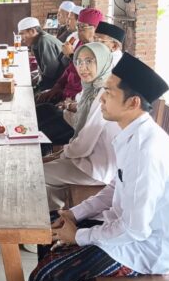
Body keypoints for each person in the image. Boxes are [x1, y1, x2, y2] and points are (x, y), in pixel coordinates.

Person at [0, 53, 169, 281]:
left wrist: (81, 236)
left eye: (109, 92)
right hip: (131, 229)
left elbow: (136, 231)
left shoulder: (147, 152)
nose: (101, 100)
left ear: (133, 103)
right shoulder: (132, 133)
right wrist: (74, 213)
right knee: (49, 227)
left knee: (46, 276)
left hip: (147, 249)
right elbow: (114, 189)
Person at [42, 43, 119, 209]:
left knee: (38, 174)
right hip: (88, 158)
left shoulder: (105, 95)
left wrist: (61, 155)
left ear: (104, 61)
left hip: (98, 167)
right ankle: (56, 215)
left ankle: (47, 222)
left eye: (89, 61)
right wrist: (62, 153)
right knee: (46, 166)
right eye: (78, 62)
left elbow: (84, 143)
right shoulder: (90, 90)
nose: (82, 68)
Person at [35, 8, 105, 152]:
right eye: (77, 26)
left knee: (42, 129)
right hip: (65, 98)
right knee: (38, 110)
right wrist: (57, 88)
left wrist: (67, 103)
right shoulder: (79, 44)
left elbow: (87, 84)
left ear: (96, 29)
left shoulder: (102, 54)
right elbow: (68, 72)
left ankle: (43, 158)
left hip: (75, 108)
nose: (78, 31)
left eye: (82, 27)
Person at [17, 17, 68, 91]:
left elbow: (50, 73)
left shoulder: (44, 41)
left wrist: (38, 88)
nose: (21, 38)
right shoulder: (38, 41)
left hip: (59, 86)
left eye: (22, 33)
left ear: (32, 31)